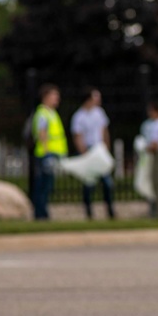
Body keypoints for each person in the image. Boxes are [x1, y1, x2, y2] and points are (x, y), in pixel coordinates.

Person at [70, 87, 115, 220]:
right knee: (89, 183)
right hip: (89, 150)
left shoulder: (99, 113)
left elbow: (104, 130)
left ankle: (110, 210)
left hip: (99, 149)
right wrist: (84, 153)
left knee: (107, 183)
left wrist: (106, 147)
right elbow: (78, 135)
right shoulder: (79, 116)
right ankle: (89, 211)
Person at [31, 83, 68, 220]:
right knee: (43, 186)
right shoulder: (43, 113)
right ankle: (40, 214)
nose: (57, 98)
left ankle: (43, 213)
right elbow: (42, 134)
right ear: (45, 96)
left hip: (52, 154)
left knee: (47, 186)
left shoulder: (52, 113)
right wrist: (47, 153)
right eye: (54, 95)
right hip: (46, 155)